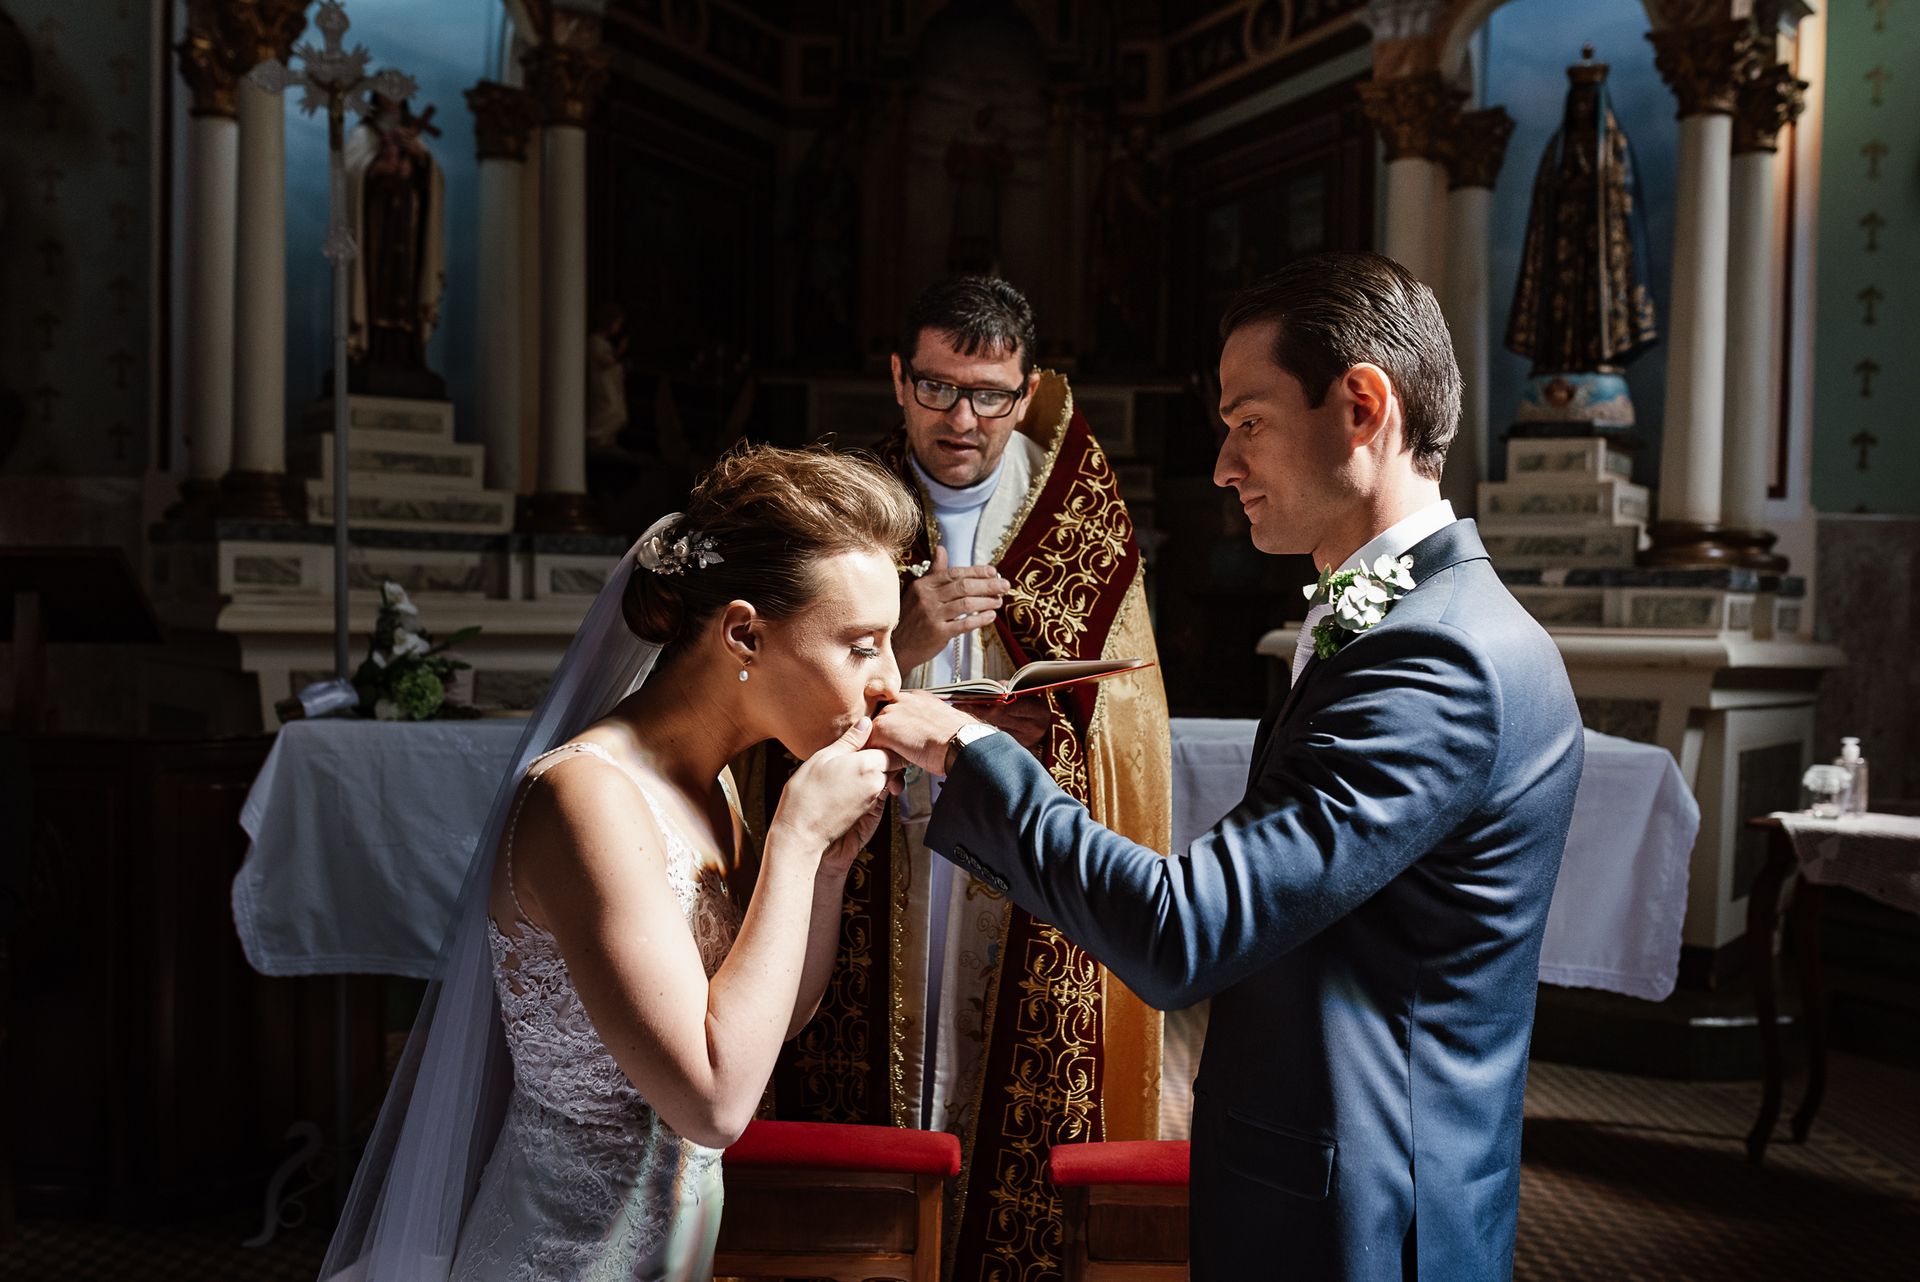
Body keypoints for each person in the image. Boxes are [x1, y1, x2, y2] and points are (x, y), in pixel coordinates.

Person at [872, 251, 1585, 1279]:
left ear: (1361, 406)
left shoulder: (1440, 657)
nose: (1222, 463)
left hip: (1361, 1213)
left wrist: (965, 746)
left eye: (1248, 421)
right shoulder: (1413, 621)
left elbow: (1187, 930)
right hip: (1325, 1176)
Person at [319, 444, 920, 1281]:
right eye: (862, 645)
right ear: (744, 632)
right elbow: (713, 1103)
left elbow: (764, 1026)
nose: (890, 681)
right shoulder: (587, 800)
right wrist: (793, 841)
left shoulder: (712, 786)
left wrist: (820, 870)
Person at [742, 274, 1172, 1275]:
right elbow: (768, 692)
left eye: (988, 393)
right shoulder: (840, 504)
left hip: (1019, 859)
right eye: (937, 388)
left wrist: (1050, 739)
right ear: (899, 378)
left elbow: (1131, 719)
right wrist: (911, 633)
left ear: (1026, 392)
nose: (962, 419)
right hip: (876, 846)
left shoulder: (1085, 513)